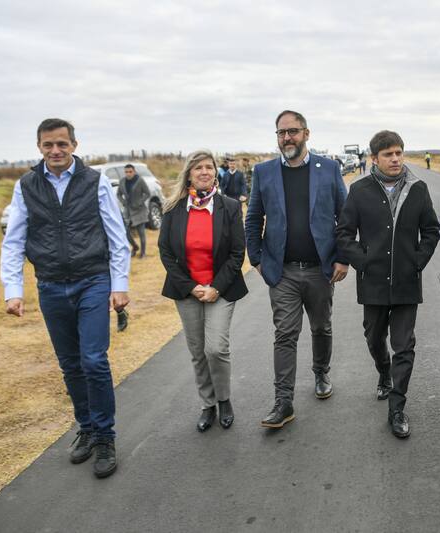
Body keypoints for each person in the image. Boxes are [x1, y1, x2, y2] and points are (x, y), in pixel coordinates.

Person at [0, 118, 130, 478]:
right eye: (48, 145)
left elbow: (116, 235)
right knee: (70, 363)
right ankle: (86, 427)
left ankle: (105, 436)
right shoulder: (26, 185)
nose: (55, 151)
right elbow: (14, 240)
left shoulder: (95, 181)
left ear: (74, 144)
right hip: (51, 285)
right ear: (39, 147)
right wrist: (14, 290)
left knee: (93, 359)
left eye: (62, 144)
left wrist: (119, 284)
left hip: (92, 281)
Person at [245, 110, 349, 429]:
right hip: (283, 272)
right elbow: (252, 219)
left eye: (292, 131)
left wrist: (343, 258)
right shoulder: (263, 172)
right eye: (281, 133)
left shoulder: (329, 169)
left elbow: (345, 219)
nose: (286, 138)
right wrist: (258, 260)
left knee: (321, 327)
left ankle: (321, 372)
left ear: (306, 133)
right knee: (285, 334)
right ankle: (283, 401)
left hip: (321, 269)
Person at [336, 130, 440, 438]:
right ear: (374, 159)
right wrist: (363, 260)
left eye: (398, 153)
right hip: (374, 284)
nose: (395, 159)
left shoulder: (418, 189)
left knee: (404, 346)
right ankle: (384, 372)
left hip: (408, 283)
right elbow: (343, 234)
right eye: (388, 154)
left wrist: (417, 261)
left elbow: (431, 231)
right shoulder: (359, 190)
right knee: (373, 337)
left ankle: (397, 409)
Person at [158, 150, 248, 433]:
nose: (205, 172)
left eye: (209, 167)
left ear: (215, 172)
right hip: (187, 291)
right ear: (189, 174)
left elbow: (237, 253)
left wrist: (216, 287)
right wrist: (191, 287)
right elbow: (166, 252)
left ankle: (224, 400)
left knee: (216, 349)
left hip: (220, 290)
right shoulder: (173, 209)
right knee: (197, 351)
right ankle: (207, 404)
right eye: (198, 168)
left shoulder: (229, 207)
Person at [117, 163, 151, 258]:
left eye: (130, 172)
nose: (128, 174)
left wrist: (140, 202)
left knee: (141, 233)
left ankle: (143, 253)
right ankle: (135, 247)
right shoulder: (122, 181)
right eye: (126, 172)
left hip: (139, 210)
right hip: (128, 211)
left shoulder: (140, 181)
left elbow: (147, 193)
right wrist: (123, 202)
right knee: (125, 232)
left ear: (134, 171)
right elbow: (118, 194)